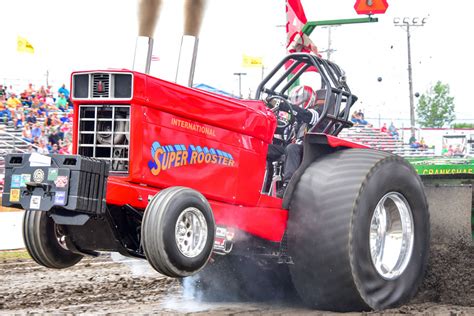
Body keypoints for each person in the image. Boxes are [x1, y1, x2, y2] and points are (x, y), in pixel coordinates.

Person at [267, 86, 320, 198]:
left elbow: (306, 115)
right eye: (295, 98)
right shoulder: (295, 120)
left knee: (292, 148)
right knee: (267, 148)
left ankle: (288, 186)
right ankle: (263, 185)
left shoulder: (316, 113)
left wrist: (287, 106)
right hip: (291, 148)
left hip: (308, 149)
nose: (297, 101)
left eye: (300, 98)